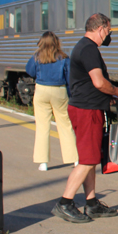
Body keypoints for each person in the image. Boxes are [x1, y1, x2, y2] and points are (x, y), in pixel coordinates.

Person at [51, 13, 118, 224]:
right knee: (87, 161)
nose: (109, 35)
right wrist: (116, 92)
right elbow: (98, 81)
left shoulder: (83, 47)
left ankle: (91, 203)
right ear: (100, 28)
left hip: (87, 108)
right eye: (109, 31)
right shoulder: (89, 49)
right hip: (86, 111)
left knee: (90, 157)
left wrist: (105, 97)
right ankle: (65, 203)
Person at [26, 31, 78, 172]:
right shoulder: (64, 58)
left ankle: (43, 162)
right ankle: (74, 159)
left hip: (42, 90)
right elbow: (69, 77)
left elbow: (29, 71)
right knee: (65, 125)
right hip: (59, 91)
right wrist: (70, 94)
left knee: (42, 126)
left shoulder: (37, 56)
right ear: (56, 42)